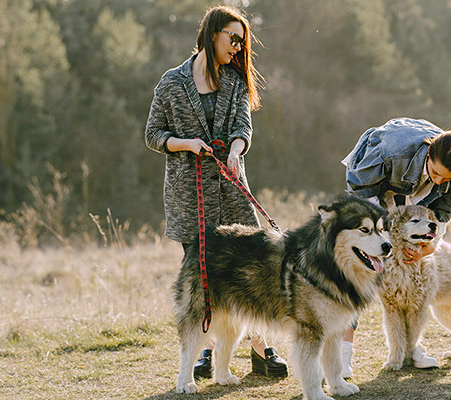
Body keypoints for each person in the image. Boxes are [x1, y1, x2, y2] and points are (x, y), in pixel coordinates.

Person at [145, 6, 287, 379]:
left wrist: (236, 152)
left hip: (232, 187)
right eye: (233, 38)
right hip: (189, 194)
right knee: (203, 275)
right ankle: (205, 355)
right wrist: (185, 144)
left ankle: (261, 348)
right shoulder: (171, 83)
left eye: (243, 42)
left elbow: (243, 125)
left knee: (254, 265)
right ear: (212, 34)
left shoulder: (236, 81)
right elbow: (153, 134)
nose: (239, 48)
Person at [339, 117, 451, 377]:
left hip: (411, 197)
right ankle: (343, 353)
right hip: (372, 188)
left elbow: (441, 216)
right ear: (429, 155)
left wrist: (430, 246)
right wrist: (381, 239)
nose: (438, 182)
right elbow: (361, 197)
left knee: (412, 277)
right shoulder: (392, 152)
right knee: (359, 272)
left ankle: (412, 348)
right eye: (435, 173)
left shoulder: (449, 168)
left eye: (445, 179)